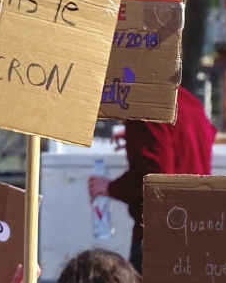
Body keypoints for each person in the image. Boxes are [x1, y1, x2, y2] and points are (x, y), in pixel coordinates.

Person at [88, 87, 216, 272]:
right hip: (197, 230)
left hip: (160, 235)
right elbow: (196, 136)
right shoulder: (188, 100)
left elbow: (154, 176)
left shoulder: (147, 107)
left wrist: (108, 187)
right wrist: (137, 137)